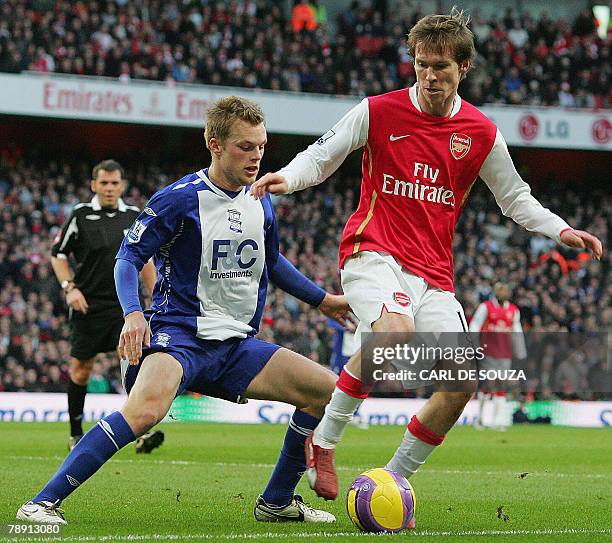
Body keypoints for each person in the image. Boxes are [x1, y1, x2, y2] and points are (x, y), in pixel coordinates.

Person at [250, 7, 603, 510]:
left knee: (463, 381)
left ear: (463, 68)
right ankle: (323, 441)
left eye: (441, 66)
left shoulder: (480, 133)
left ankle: (391, 481)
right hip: (372, 252)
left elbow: (516, 199)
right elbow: (321, 155)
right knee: (393, 333)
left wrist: (562, 229)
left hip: (433, 273)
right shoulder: (378, 111)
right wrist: (287, 177)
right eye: (421, 65)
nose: (430, 75)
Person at [17, 96, 356, 525]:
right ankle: (41, 503)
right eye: (244, 147)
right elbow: (128, 259)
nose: (256, 158)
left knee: (326, 390)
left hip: (235, 345)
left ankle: (277, 501)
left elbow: (272, 262)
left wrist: (322, 300)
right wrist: (133, 314)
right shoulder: (178, 199)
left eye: (261, 147)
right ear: (214, 144)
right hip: (180, 339)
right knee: (143, 413)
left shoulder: (261, 199)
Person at [50, 159, 160, 452]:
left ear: (122, 185)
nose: (110, 188)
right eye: (104, 183)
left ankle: (139, 433)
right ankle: (75, 432)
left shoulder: (134, 216)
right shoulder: (80, 215)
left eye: (115, 183)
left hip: (125, 307)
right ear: (94, 185)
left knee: (135, 363)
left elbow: (146, 260)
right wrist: (69, 288)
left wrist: (155, 295)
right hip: (87, 305)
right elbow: (58, 254)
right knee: (81, 370)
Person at [469, 282, 526, 430]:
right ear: (495, 292)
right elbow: (475, 325)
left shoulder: (513, 310)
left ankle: (498, 420)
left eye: (505, 290)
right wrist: (472, 345)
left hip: (505, 354)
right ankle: (481, 418)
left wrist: (520, 352)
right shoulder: (486, 307)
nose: (503, 293)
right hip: (488, 352)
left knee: (501, 385)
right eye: (500, 290)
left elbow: (517, 332)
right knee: (489, 383)